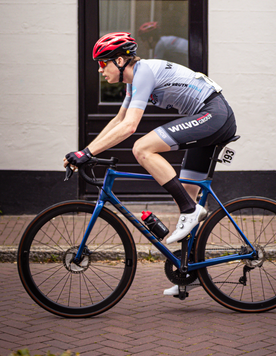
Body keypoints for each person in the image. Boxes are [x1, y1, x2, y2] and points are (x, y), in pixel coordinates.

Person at [64, 32, 237, 294]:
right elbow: (118, 121)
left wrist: (87, 152)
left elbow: (130, 127)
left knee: (142, 148)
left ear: (120, 60)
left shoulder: (143, 72)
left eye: (103, 63)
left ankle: (191, 211)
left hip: (213, 115)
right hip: (206, 117)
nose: (101, 70)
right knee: (188, 193)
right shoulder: (133, 83)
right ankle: (189, 273)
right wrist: (84, 151)